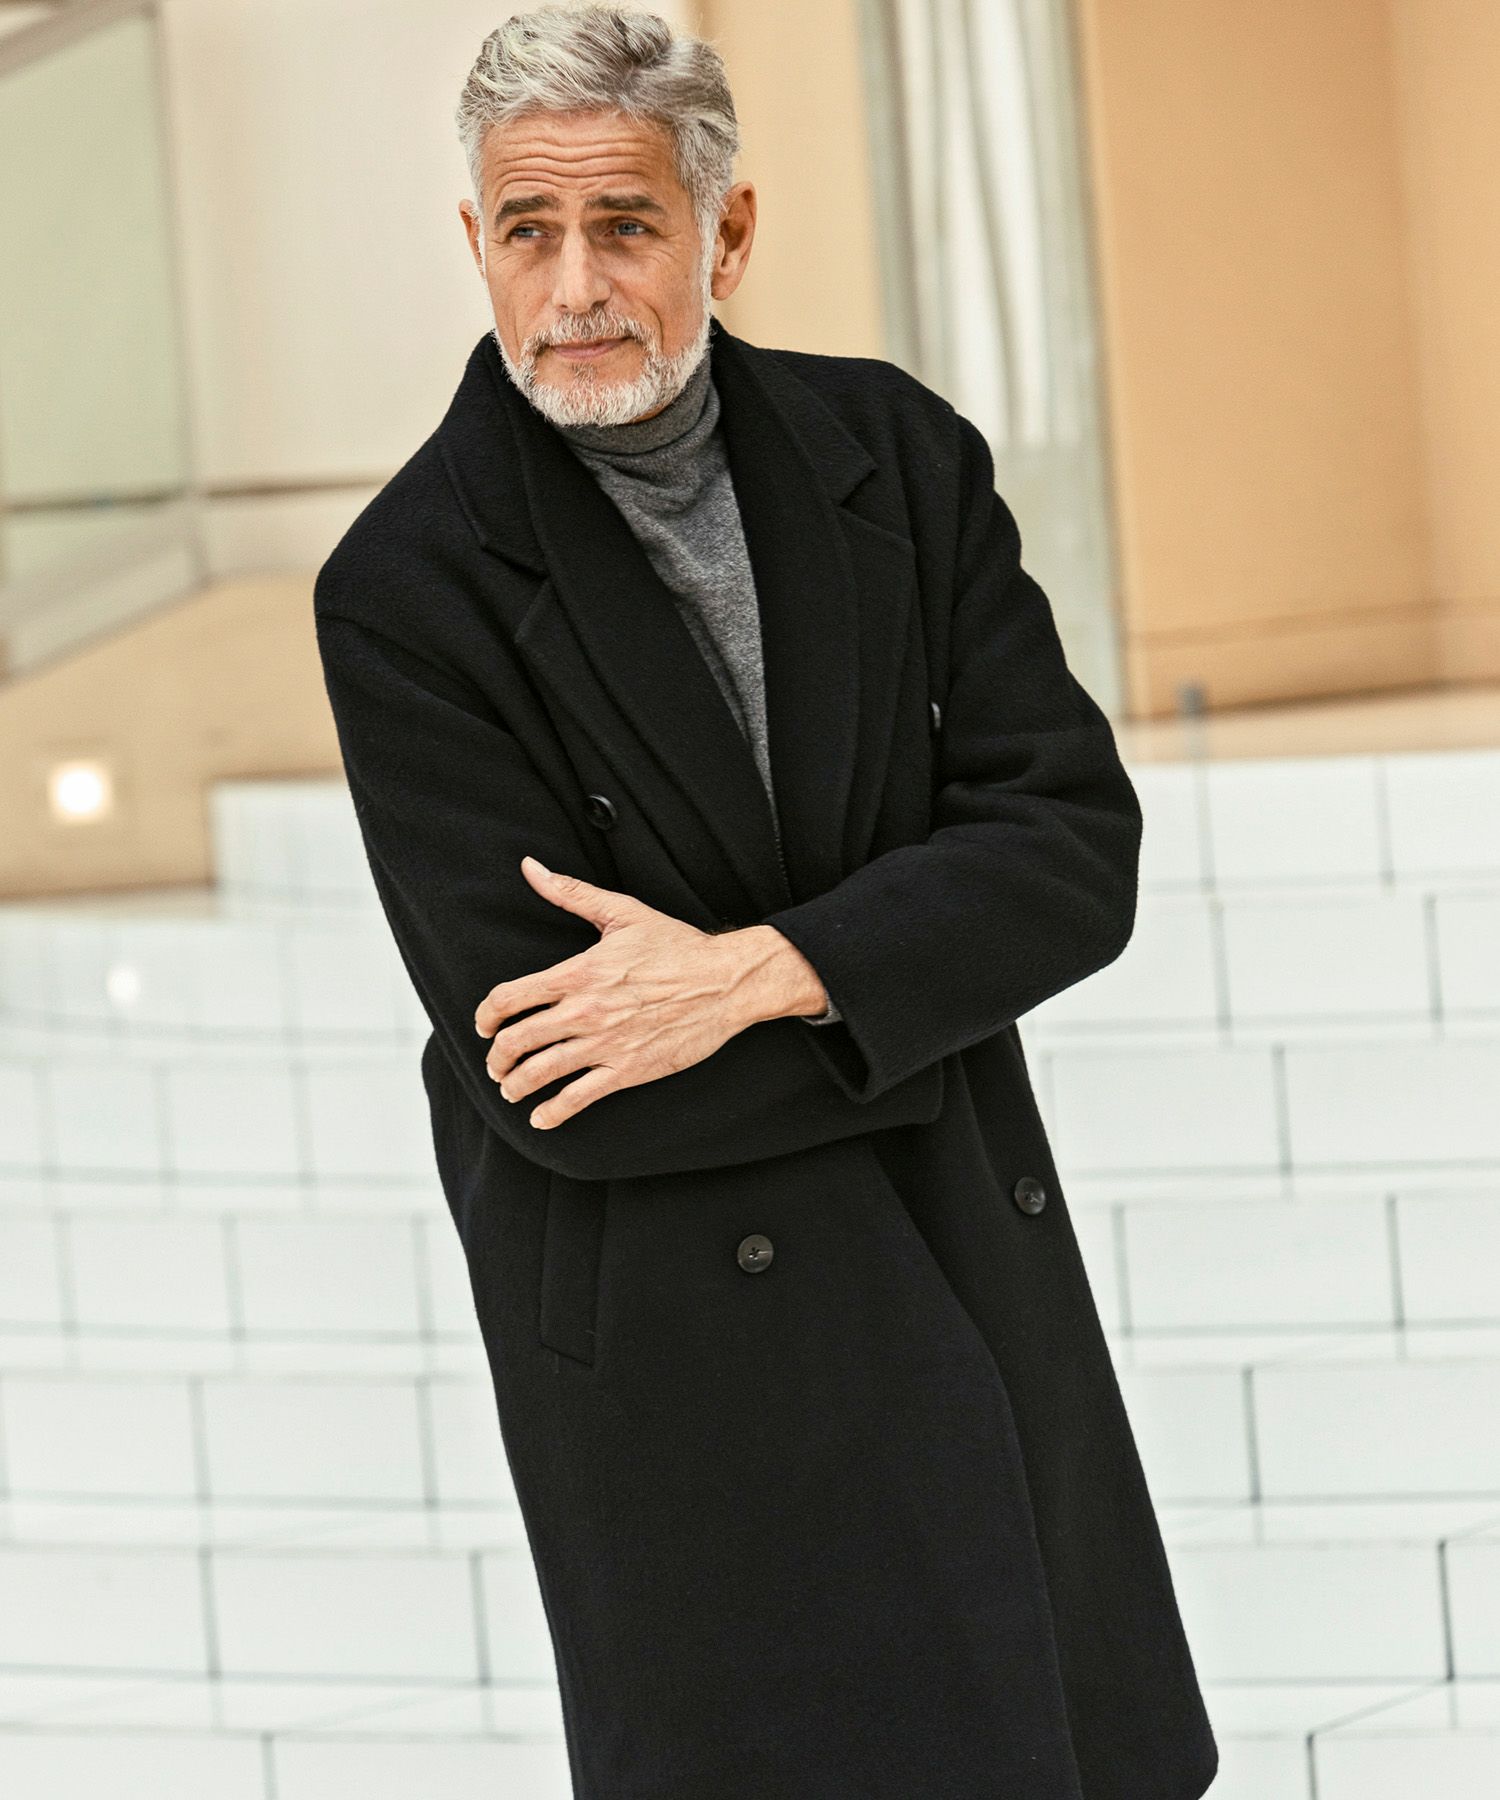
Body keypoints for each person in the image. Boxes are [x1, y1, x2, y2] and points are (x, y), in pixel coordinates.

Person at [312, 7, 1218, 1797]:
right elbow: (551, 1072)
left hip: (962, 1264)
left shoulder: (901, 456)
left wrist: (764, 972)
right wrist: (907, 978)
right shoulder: (405, 587)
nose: (576, 285)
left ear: (726, 232)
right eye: (528, 230)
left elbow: (1070, 850)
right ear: (476, 239)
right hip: (681, 1344)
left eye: (625, 224)